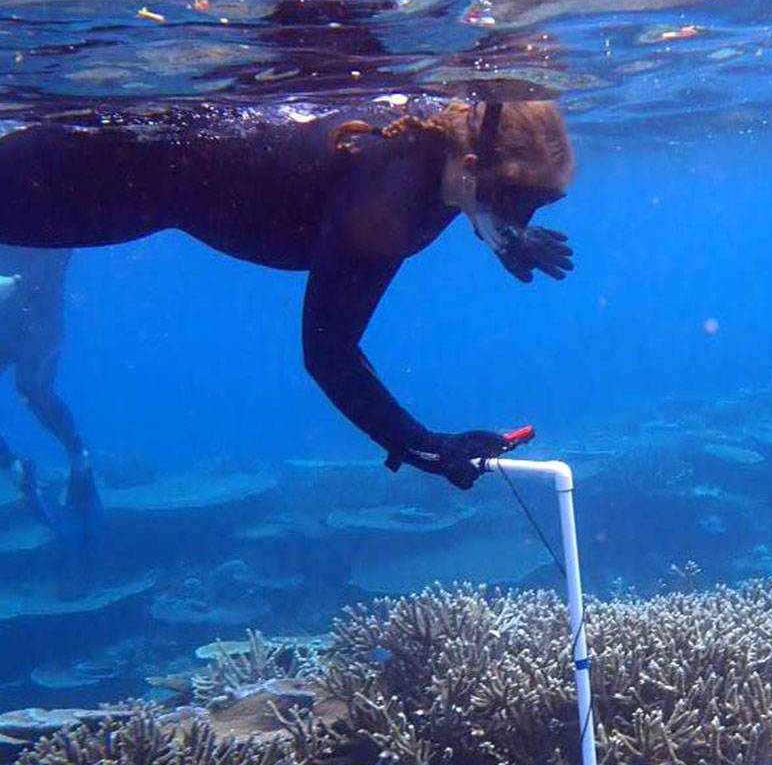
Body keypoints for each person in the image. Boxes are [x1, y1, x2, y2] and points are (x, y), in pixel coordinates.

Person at [0, 97, 575, 489]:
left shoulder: (444, 153)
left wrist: (510, 235)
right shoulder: (388, 204)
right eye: (516, 202)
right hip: (119, 171)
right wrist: (424, 447)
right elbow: (328, 353)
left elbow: (483, 200)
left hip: (144, 158)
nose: (519, 216)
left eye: (535, 208)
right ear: (472, 164)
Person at [0, 245, 101, 545]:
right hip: (4, 323)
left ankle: (78, 459)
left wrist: (17, 282)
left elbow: (60, 252)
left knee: (33, 390)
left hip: (40, 325)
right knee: (32, 391)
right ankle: (14, 470)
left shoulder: (49, 207)